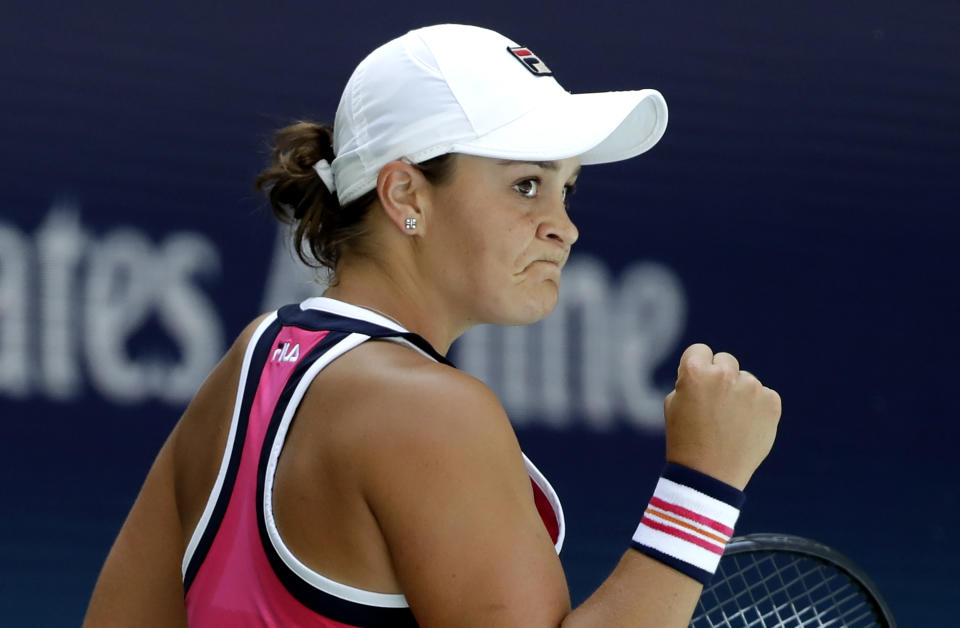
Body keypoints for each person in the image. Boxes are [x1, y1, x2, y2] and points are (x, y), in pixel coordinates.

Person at [83, 24, 780, 627]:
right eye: (525, 184)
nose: (563, 226)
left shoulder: (252, 358)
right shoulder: (432, 412)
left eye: (566, 187)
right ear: (405, 194)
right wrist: (704, 484)